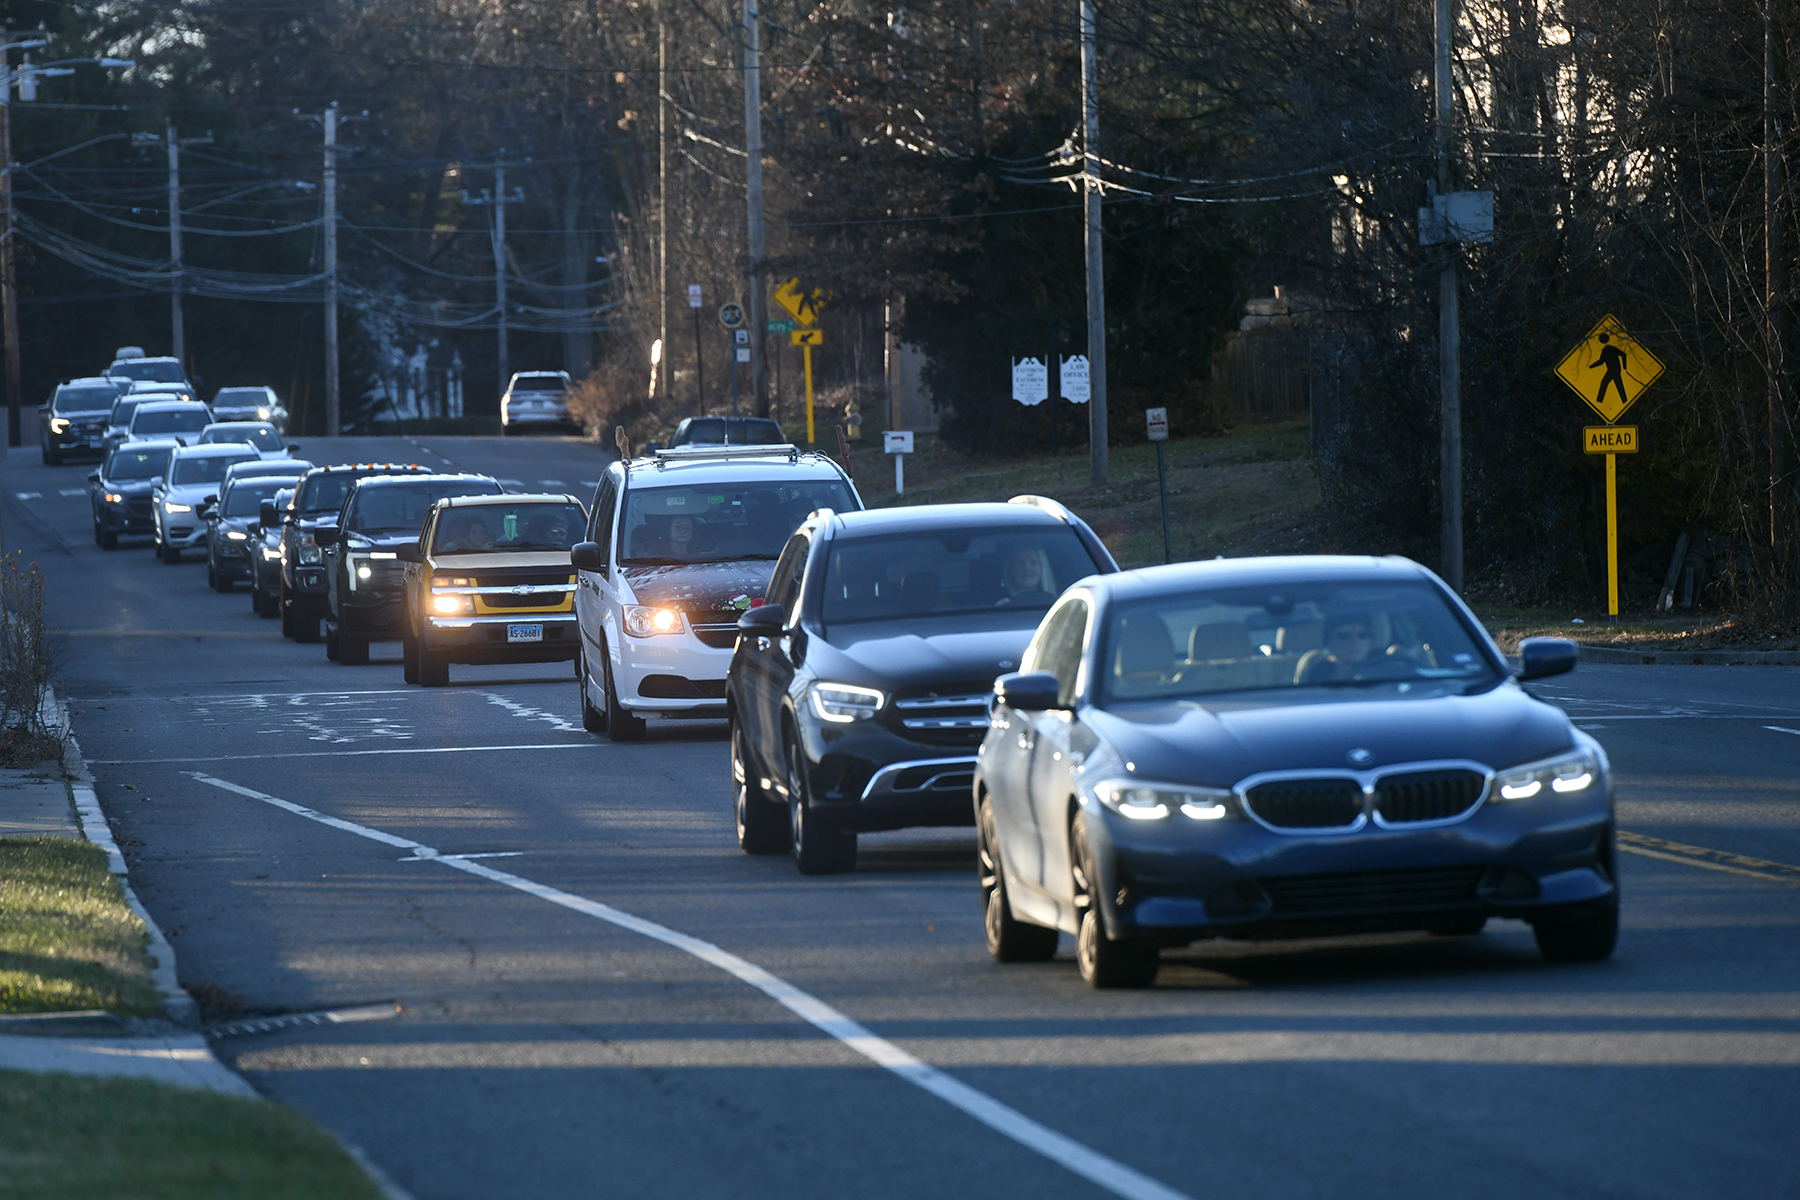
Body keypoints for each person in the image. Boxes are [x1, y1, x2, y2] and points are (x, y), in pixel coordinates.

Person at [1297, 613, 1377, 683]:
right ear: (1329, 641)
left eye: (1363, 635)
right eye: (1345, 635)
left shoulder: (1384, 673)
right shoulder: (1317, 674)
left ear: (1370, 642)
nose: (1354, 641)